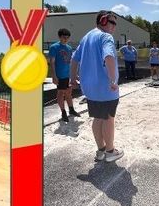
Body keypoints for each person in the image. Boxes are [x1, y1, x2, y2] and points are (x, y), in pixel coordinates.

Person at [71, 10, 122, 163]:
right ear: (104, 21)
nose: (114, 26)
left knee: (98, 118)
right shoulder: (106, 37)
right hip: (105, 88)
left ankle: (100, 150)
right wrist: (113, 80)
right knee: (108, 119)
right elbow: (109, 57)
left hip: (89, 89)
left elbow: (74, 59)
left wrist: (72, 78)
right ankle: (110, 151)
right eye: (112, 22)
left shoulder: (86, 37)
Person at [48, 28, 80, 122]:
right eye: (63, 37)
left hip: (68, 74)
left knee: (69, 93)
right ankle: (63, 112)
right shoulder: (54, 47)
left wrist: (74, 74)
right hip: (60, 75)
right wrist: (54, 75)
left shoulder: (69, 48)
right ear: (59, 37)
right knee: (61, 93)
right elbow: (52, 62)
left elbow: (70, 62)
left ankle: (71, 109)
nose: (65, 39)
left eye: (67, 37)